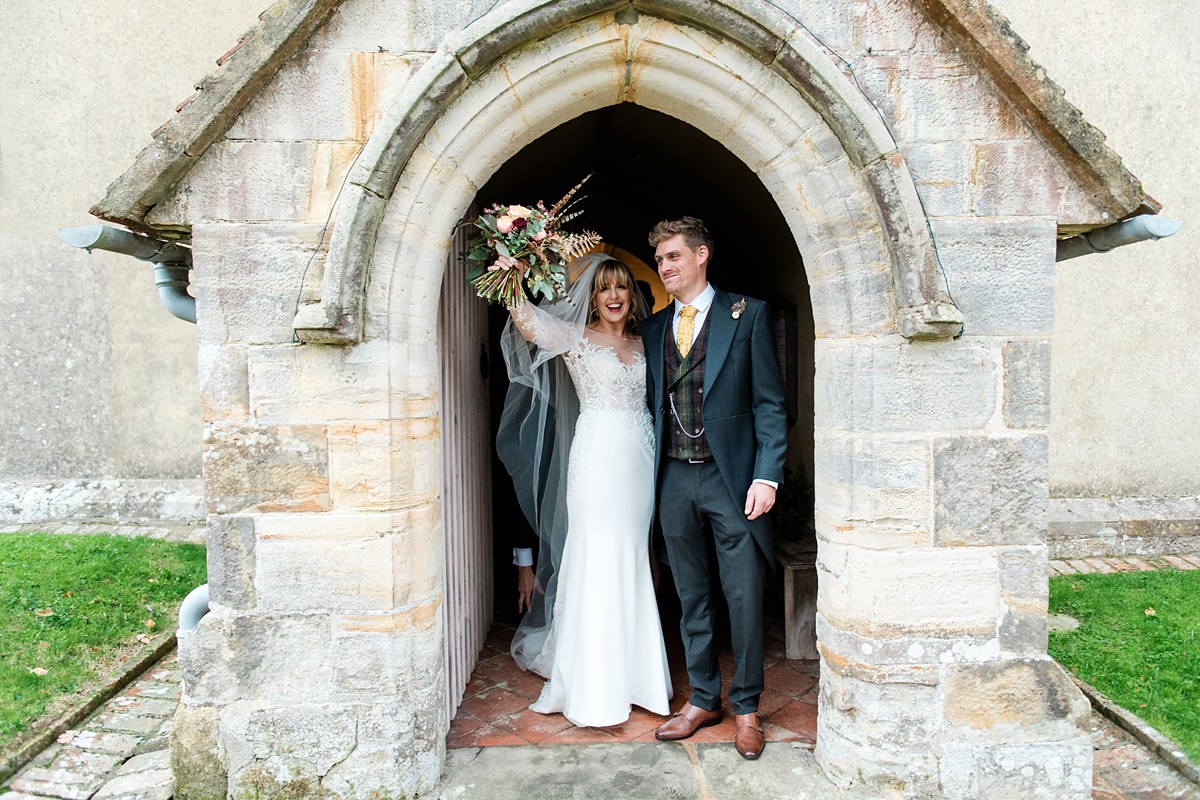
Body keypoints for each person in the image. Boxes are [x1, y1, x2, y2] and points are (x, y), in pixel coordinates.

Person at [497, 253, 673, 727]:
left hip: (639, 459)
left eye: (621, 288)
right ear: (591, 297)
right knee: (595, 554)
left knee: (636, 554)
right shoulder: (575, 338)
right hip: (595, 459)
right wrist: (513, 268)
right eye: (604, 288)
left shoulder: (647, 341)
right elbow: (528, 324)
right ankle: (593, 683)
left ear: (631, 295)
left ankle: (638, 677)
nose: (614, 296)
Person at [641, 217, 788, 760]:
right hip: (675, 477)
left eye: (674, 256)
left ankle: (746, 707)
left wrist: (767, 475)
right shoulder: (655, 327)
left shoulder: (746, 315)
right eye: (659, 260)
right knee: (690, 593)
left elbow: (771, 403)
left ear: (702, 255)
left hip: (734, 480)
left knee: (744, 593)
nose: (666, 267)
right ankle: (704, 697)